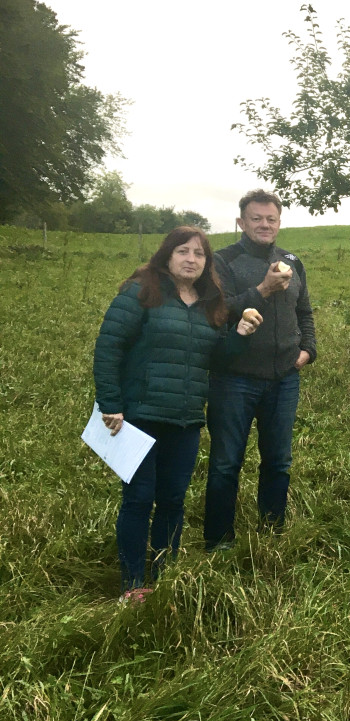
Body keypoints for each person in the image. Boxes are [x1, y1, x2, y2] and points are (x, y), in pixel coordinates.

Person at [93, 227, 261, 600]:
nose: (191, 259)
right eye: (183, 251)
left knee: (172, 500)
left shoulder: (207, 304)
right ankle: (133, 583)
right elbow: (109, 348)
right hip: (139, 416)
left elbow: (216, 357)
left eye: (199, 254)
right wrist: (112, 404)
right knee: (138, 499)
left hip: (185, 419)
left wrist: (241, 333)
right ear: (167, 255)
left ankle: (164, 576)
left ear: (207, 262)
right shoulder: (141, 292)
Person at [203, 189, 317, 550]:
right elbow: (217, 311)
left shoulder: (292, 261)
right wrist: (263, 289)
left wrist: (308, 350)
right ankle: (219, 540)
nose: (264, 224)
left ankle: (271, 532)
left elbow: (305, 312)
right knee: (225, 462)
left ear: (279, 222)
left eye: (271, 219)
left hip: (284, 378)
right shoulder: (223, 262)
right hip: (234, 377)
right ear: (241, 222)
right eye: (256, 218)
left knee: (279, 461)